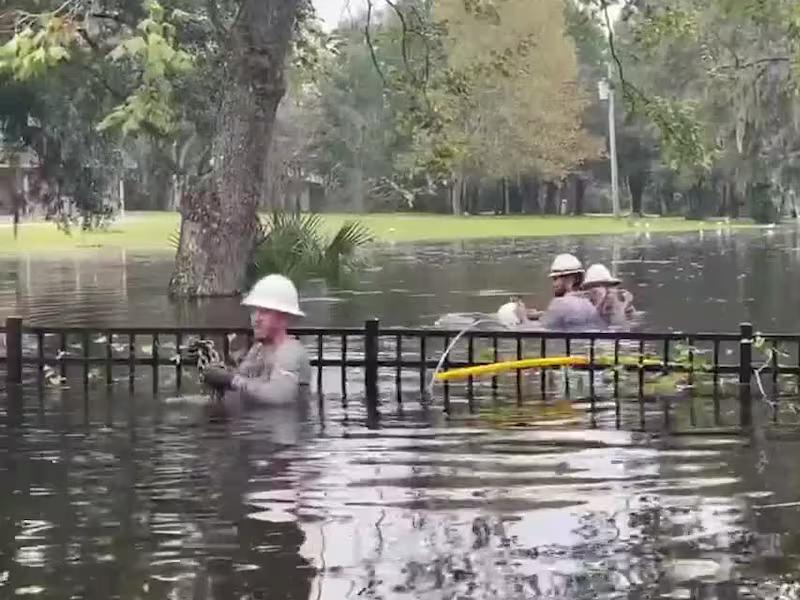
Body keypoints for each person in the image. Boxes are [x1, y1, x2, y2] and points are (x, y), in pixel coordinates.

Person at [202, 274, 312, 406]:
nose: (256, 318)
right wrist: (219, 375)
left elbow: (279, 396)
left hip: (280, 423)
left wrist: (231, 380)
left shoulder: (290, 351)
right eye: (254, 311)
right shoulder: (258, 349)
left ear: (284, 317)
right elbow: (242, 381)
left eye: (265, 312)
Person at [538, 254, 603, 330]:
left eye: (555, 279)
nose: (553, 284)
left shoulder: (559, 303)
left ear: (569, 279)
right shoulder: (589, 304)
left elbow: (541, 330)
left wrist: (523, 317)